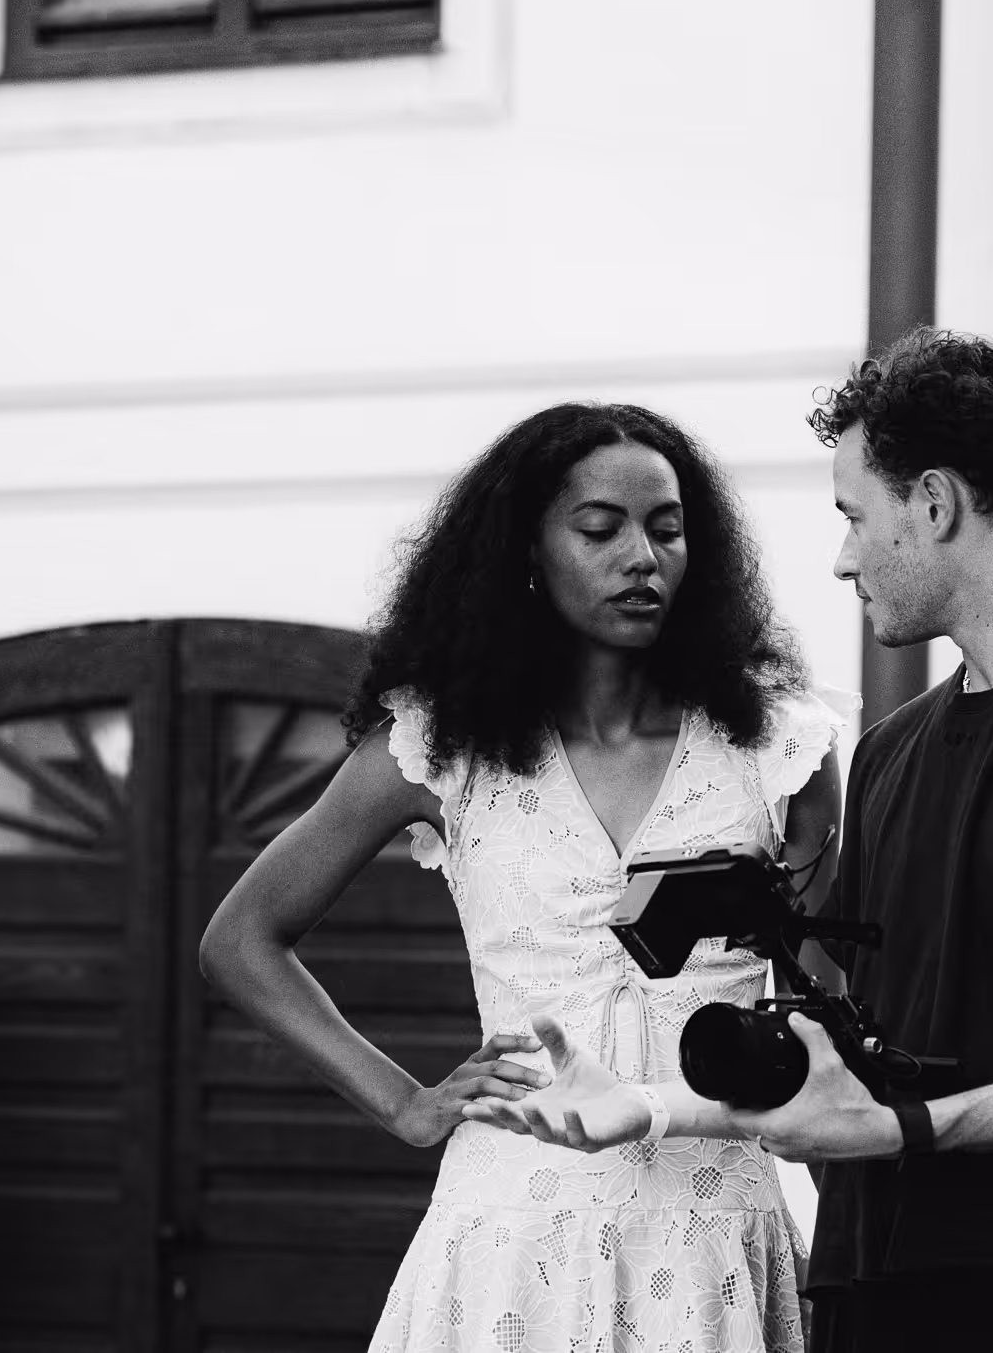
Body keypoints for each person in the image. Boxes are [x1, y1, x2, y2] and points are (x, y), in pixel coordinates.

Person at [467, 330, 993, 1352]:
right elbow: (858, 1080)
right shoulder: (892, 753)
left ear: (932, 504)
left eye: (851, 516)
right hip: (876, 1303)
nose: (838, 558)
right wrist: (651, 1105)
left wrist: (900, 1132)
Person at [198, 402, 849, 1353]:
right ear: (528, 554)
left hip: (714, 1235)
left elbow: (825, 1013)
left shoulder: (780, 749)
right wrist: (403, 1102)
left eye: (667, 528)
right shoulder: (439, 749)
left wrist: (858, 1247)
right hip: (506, 1243)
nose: (643, 555)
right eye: (601, 528)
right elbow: (239, 940)